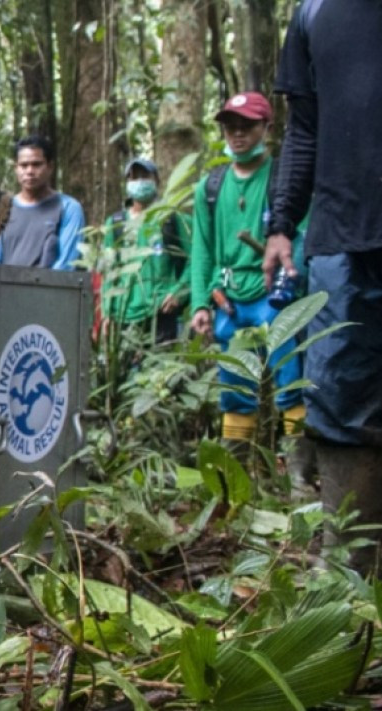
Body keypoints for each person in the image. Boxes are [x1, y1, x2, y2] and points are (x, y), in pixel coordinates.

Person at [267, 0, 382, 570]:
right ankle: (346, 580)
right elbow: (304, 129)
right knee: (339, 403)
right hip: (342, 235)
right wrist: (282, 222)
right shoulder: (313, 11)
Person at [188, 92, 304, 447]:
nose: (237, 135)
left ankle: (298, 470)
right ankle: (235, 469)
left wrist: (293, 286)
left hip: (275, 295)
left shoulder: (286, 177)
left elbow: (303, 235)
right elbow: (202, 249)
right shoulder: (209, 187)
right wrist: (200, 304)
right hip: (229, 300)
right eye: (230, 127)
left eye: (247, 127)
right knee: (235, 388)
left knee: (291, 381)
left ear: (267, 128)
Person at [100, 158, 189, 344]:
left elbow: (193, 260)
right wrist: (107, 312)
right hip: (123, 316)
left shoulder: (170, 218)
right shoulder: (115, 223)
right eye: (134, 177)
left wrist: (178, 292)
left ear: (156, 180)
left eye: (145, 176)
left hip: (161, 312)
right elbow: (108, 271)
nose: (139, 181)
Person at [0, 136, 84, 270]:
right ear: (16, 169)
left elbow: (66, 265)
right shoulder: (3, 209)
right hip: (5, 288)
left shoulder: (68, 208)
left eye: (36, 164)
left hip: (49, 289)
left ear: (50, 167)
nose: (29, 171)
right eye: (23, 165)